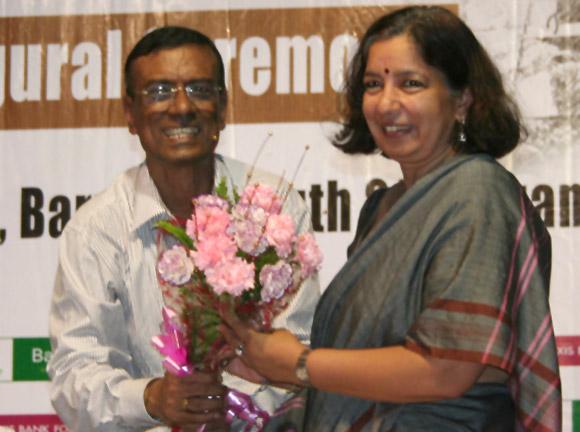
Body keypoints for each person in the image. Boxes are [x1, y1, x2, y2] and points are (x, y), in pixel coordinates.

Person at [219, 6, 562, 431]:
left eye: (411, 83)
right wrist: (265, 364)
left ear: (462, 101)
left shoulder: (479, 192)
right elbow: (363, 365)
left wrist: (301, 365)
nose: (386, 103)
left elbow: (448, 369)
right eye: (373, 84)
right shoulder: (380, 209)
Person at [47, 26, 319, 431]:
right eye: (158, 92)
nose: (181, 107)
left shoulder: (270, 207)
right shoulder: (96, 230)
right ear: (130, 114)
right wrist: (153, 399)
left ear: (223, 107)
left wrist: (229, 409)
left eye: (199, 89)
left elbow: (299, 348)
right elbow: (74, 374)